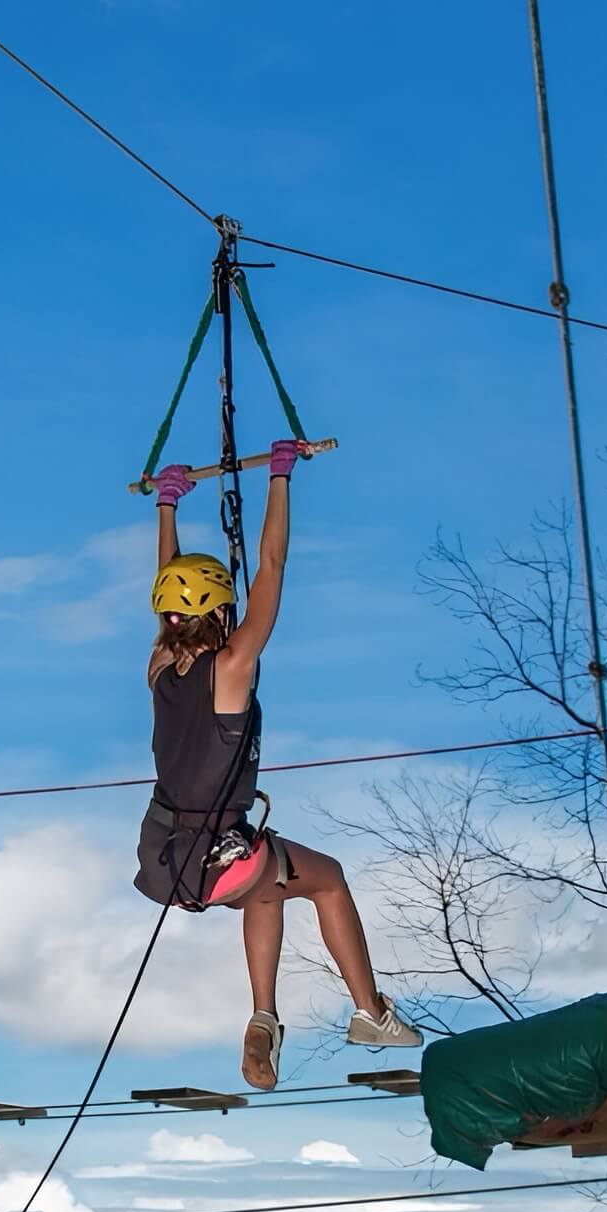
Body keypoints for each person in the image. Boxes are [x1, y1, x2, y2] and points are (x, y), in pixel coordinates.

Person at [134, 440, 422, 1090]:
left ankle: (264, 1016)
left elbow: (168, 593)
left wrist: (168, 507)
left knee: (270, 884)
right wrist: (279, 477)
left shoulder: (158, 667)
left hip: (169, 856)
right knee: (328, 879)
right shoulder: (233, 667)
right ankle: (370, 1012)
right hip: (219, 851)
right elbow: (271, 562)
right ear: (219, 610)